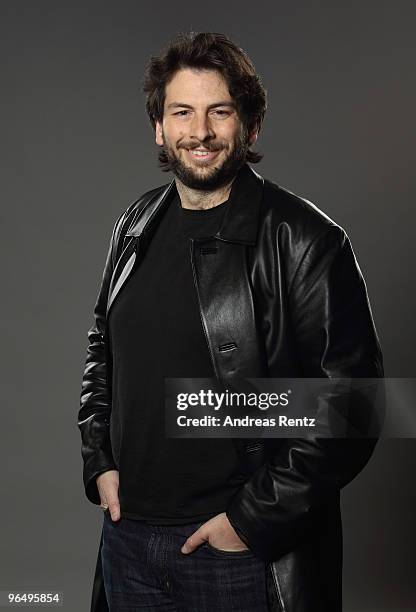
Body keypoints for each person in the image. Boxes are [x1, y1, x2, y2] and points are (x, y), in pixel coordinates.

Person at [78, 31, 384, 612]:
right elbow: (102, 348)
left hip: (239, 555)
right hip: (129, 542)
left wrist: (250, 521)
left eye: (219, 111)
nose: (201, 132)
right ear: (159, 128)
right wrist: (99, 460)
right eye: (182, 112)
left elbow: (357, 404)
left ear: (248, 123)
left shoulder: (305, 241)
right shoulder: (135, 225)